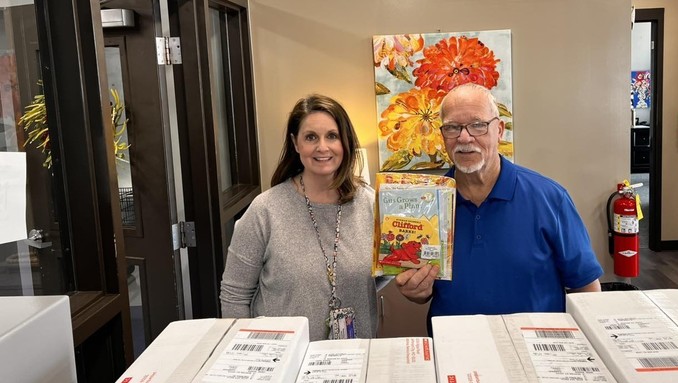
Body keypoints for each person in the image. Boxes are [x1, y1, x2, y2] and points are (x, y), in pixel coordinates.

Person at [395, 83, 602, 326]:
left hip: (537, 349)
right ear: (443, 136)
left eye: (477, 125)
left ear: (499, 130)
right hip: (455, 349)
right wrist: (417, 291)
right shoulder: (424, 205)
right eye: (452, 127)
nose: (464, 137)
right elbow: (425, 290)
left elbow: (586, 287)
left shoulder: (550, 198)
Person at [220, 94, 377, 341]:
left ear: (345, 142)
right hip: (282, 360)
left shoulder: (369, 204)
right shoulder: (265, 210)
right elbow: (234, 295)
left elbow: (382, 274)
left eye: (332, 136)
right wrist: (249, 354)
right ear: (296, 143)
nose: (322, 147)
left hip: (352, 358)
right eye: (311, 137)